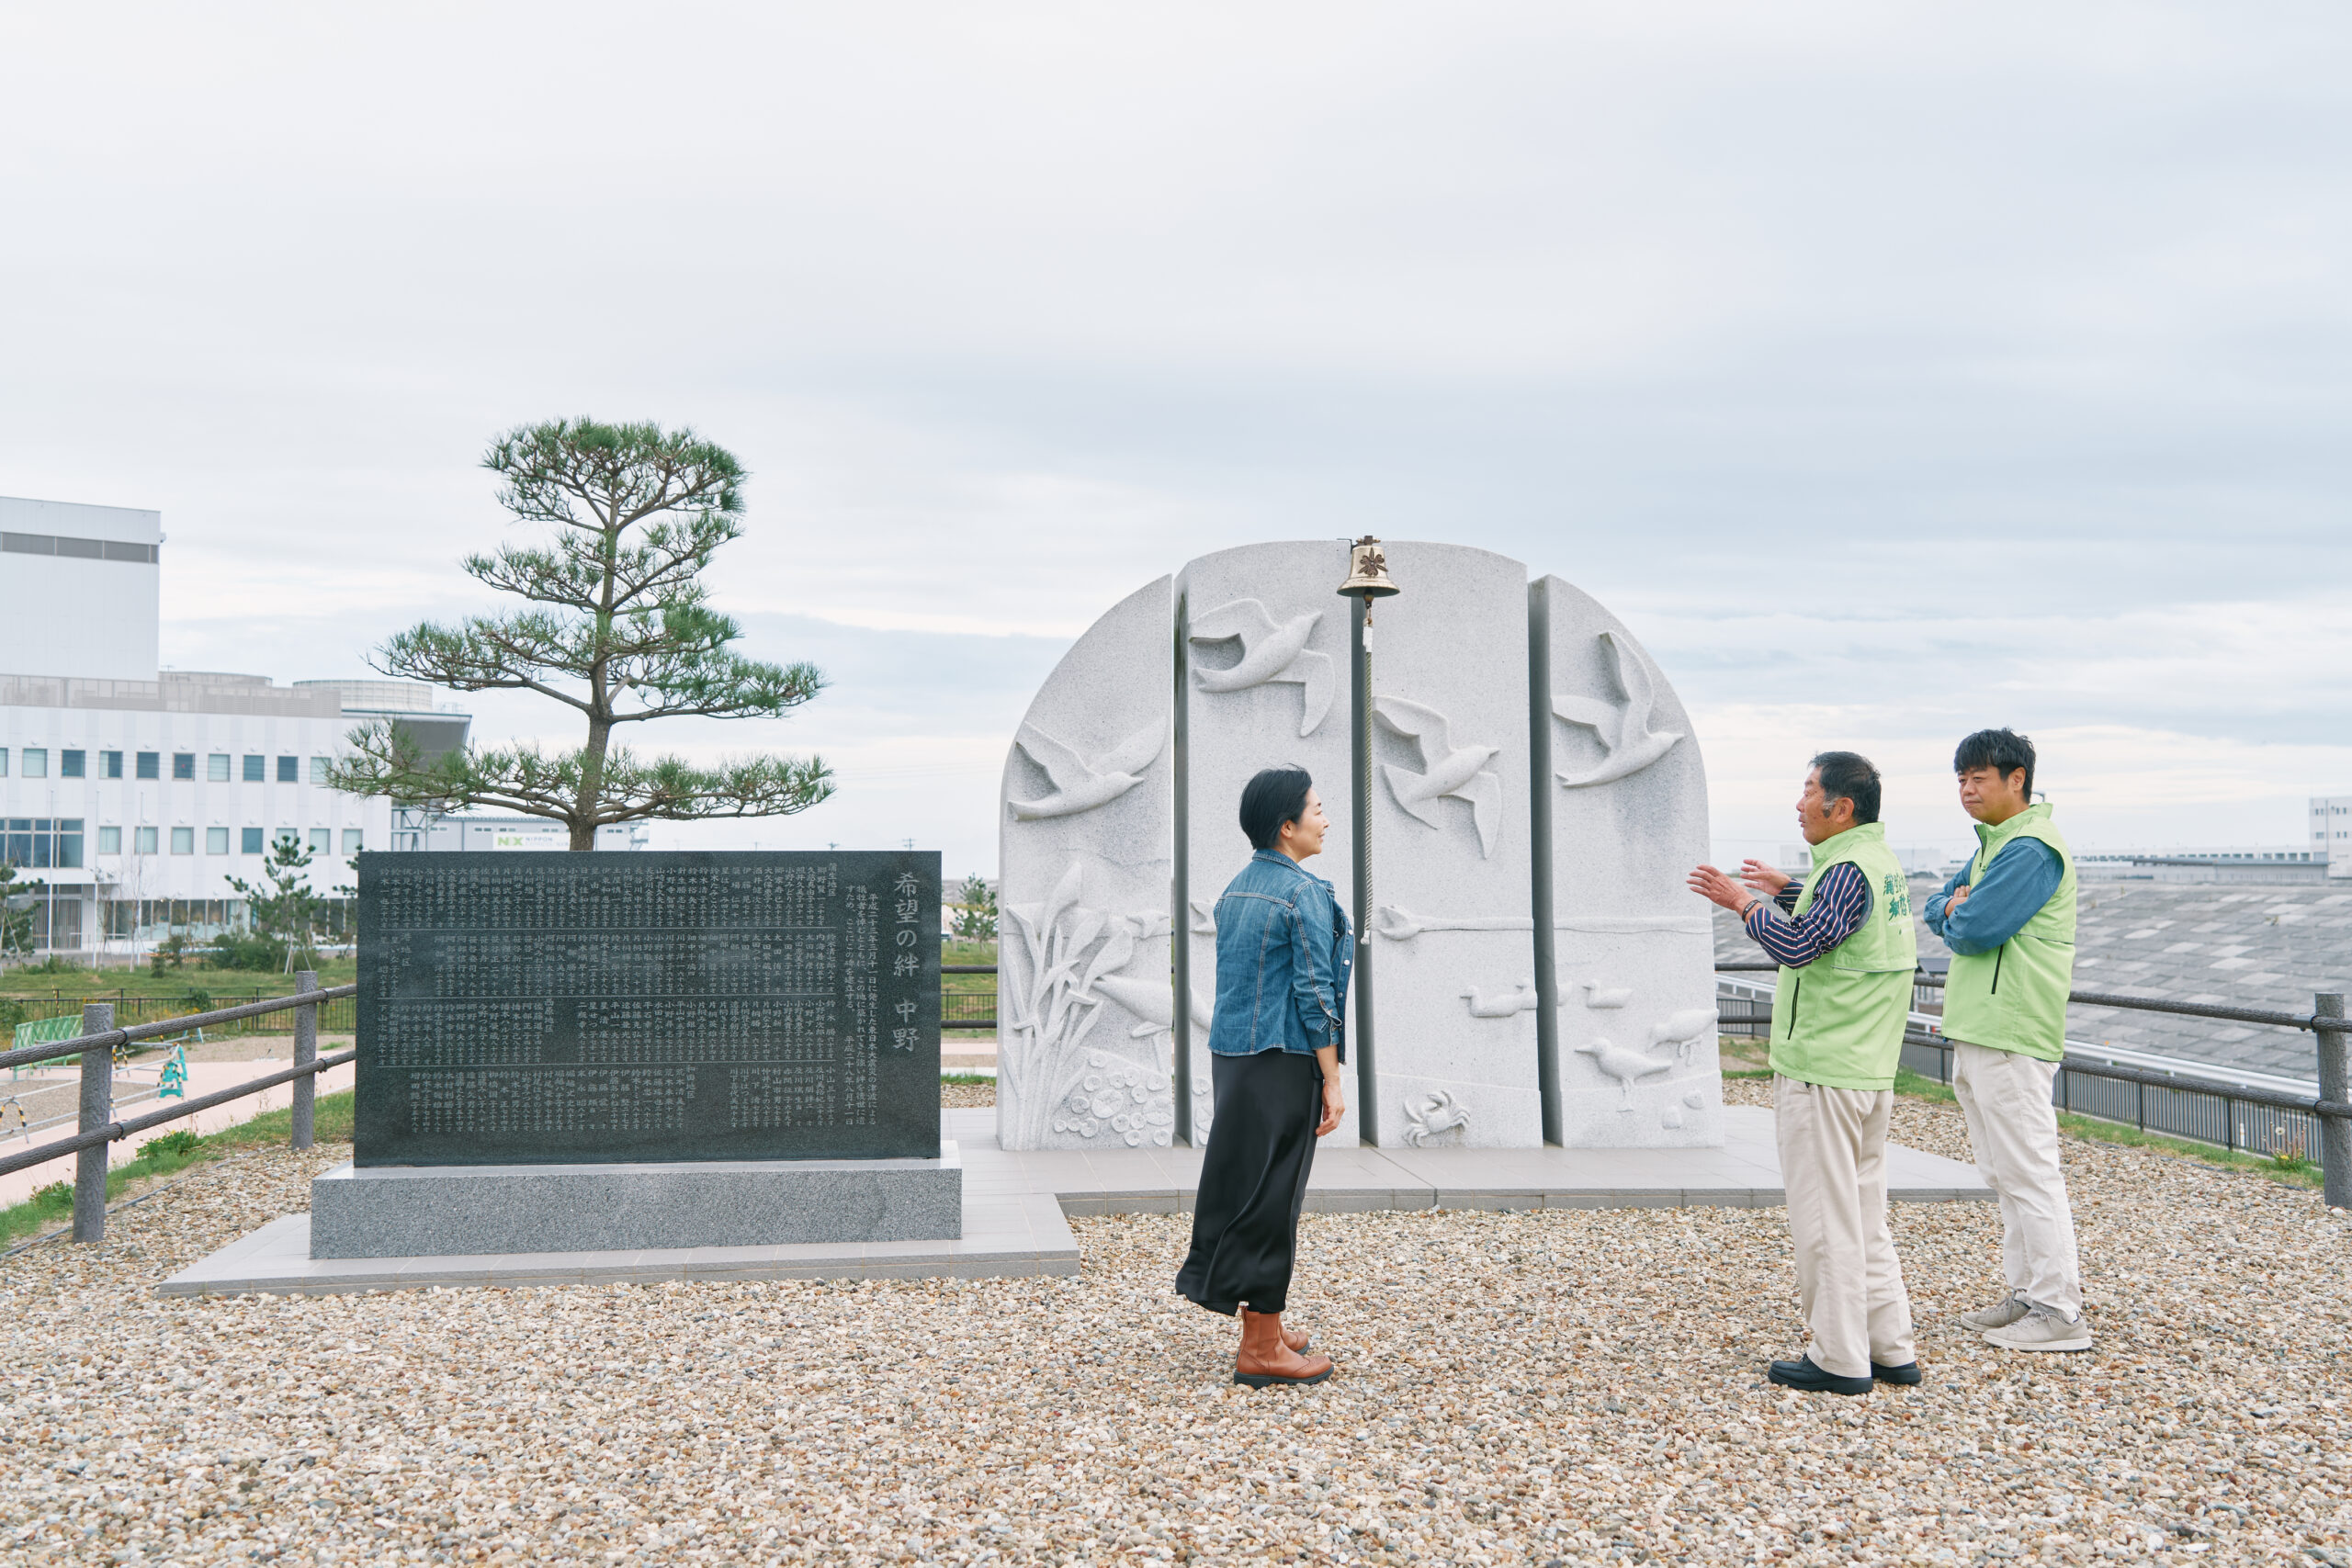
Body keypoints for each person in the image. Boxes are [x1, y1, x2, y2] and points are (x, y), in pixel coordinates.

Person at [1689, 751, 1920, 1395]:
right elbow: (1841, 924)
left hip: (1825, 1070)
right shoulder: (1878, 864)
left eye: (1809, 790)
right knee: (1865, 1214)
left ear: (1840, 807)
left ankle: (1839, 1357)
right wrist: (1786, 889)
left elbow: (1798, 944)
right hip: (1868, 1072)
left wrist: (1741, 902)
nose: (1798, 801)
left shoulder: (1846, 868)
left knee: (1825, 1218)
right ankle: (1889, 1345)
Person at [1174, 765, 1352, 1388]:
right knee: (1274, 1198)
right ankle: (1260, 1348)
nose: (1325, 819)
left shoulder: (1236, 889)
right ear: (1287, 825)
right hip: (1281, 1061)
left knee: (1246, 1187)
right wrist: (1332, 1076)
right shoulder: (1302, 893)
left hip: (1236, 1059)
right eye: (1318, 808)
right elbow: (1314, 991)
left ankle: (1266, 1325)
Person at [1925, 728, 2089, 1353]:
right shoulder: (1999, 844)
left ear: (2016, 778)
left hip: (2012, 1027)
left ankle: (2058, 1309)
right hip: (1983, 1027)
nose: (1966, 789)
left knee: (2029, 1170)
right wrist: (1951, 906)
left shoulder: (2030, 848)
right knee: (2005, 1170)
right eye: (1961, 780)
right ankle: (2027, 1292)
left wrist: (1953, 909)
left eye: (1978, 778)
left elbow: (1971, 924)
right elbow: (1941, 901)